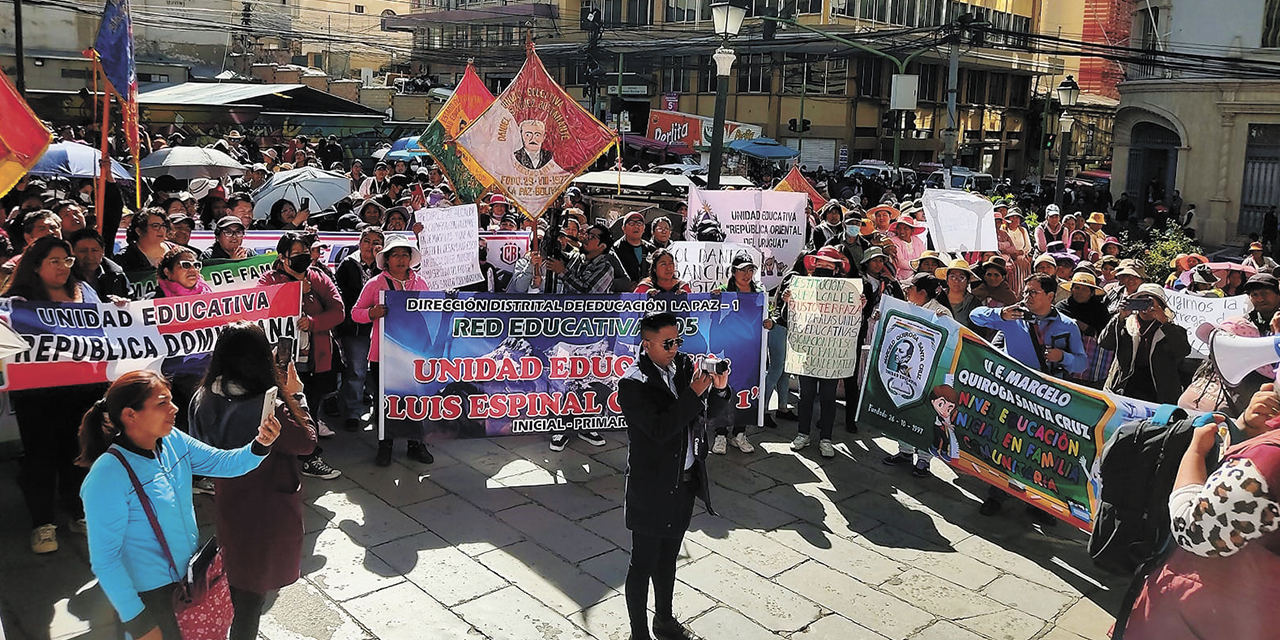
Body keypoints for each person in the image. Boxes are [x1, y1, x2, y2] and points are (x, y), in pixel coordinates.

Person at [79, 370, 280, 640]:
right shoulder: (107, 475)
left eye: (171, 400)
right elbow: (106, 561)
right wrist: (138, 622)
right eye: (162, 403)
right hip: (150, 602)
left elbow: (223, 462)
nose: (174, 408)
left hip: (190, 584)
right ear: (130, 415)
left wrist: (260, 444)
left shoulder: (173, 440)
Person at [1121, 386, 1280, 639]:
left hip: (1202, 618)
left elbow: (1191, 530)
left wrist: (1195, 452)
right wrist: (1248, 431)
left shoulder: (1270, 460)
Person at [190, 323, 316, 640]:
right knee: (250, 599)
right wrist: (296, 394)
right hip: (268, 510)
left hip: (230, 503)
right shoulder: (268, 407)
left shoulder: (203, 396)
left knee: (239, 582)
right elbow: (307, 442)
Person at [617, 311, 731, 640]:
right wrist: (693, 394)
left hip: (683, 484)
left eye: (678, 340)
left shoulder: (682, 366)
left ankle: (663, 620)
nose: (674, 348)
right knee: (643, 562)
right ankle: (639, 633)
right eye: (667, 343)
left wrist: (719, 390)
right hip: (651, 487)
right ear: (647, 343)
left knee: (668, 558)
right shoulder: (633, 383)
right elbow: (659, 429)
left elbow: (707, 416)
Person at [3, 236, 110, 554]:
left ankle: (77, 511)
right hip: (37, 396)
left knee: (79, 453)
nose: (64, 266)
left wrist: (117, 310)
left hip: (84, 390)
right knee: (40, 457)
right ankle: (43, 523)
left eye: (67, 260)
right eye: (55, 261)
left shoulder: (85, 290)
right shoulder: (17, 302)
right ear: (35, 266)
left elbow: (105, 329)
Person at [970, 273, 1087, 520]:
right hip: (1013, 393)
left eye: (1033, 292)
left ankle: (1039, 503)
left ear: (1050, 296)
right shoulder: (1012, 317)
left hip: (1047, 399)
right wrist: (999, 315)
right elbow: (975, 316)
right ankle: (997, 493)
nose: (1027, 297)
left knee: (1041, 450)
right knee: (1005, 443)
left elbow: (1081, 364)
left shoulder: (1068, 325)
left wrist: (1062, 357)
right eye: (1025, 292)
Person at [258, 233, 345, 479]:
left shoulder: (318, 277)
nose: (303, 258)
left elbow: (338, 311)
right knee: (281, 408)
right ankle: (279, 452)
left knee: (311, 406)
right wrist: (294, 291)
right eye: (297, 255)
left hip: (315, 358)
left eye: (306, 253)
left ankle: (308, 455)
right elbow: (261, 308)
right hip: (284, 360)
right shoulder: (268, 280)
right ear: (283, 258)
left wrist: (315, 322)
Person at [351, 236, 435, 466]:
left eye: (405, 255)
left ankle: (415, 444)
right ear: (386, 260)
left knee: (414, 399)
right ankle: (385, 444)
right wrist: (372, 313)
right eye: (396, 255)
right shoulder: (375, 283)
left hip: (413, 353)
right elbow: (356, 312)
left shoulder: (420, 283)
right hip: (383, 355)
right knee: (384, 401)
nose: (401, 259)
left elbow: (430, 313)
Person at [883, 273, 954, 477]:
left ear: (922, 293)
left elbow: (947, 344)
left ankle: (924, 459)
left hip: (929, 375)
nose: (906, 292)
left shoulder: (942, 314)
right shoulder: (907, 307)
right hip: (907, 375)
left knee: (925, 416)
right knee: (903, 410)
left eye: (910, 289)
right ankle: (904, 451)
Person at [789, 247, 853, 458]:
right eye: (821, 264)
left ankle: (826, 438)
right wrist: (789, 302)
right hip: (808, 351)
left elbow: (852, 321)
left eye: (828, 265)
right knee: (805, 395)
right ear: (813, 265)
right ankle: (803, 433)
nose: (824, 267)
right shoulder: (801, 287)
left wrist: (859, 306)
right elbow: (787, 317)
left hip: (832, 354)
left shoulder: (846, 291)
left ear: (836, 269)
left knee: (828, 397)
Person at [1098, 284, 1190, 404]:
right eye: (1142, 300)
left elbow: (1182, 351)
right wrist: (1119, 318)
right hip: (1125, 386)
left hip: (1159, 391)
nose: (1146, 307)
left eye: (1150, 301)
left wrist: (1165, 322)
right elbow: (1104, 343)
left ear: (1161, 306)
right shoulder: (1125, 324)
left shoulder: (1171, 329)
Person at [709, 254, 760, 453]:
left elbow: (767, 317)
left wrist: (769, 322)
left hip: (750, 352)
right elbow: (712, 317)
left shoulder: (759, 293)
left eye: (750, 270)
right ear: (733, 272)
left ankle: (740, 433)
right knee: (723, 391)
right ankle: (720, 434)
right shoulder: (722, 292)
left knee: (746, 391)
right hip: (727, 351)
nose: (747, 274)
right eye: (742, 270)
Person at [68, 228, 131, 300]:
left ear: (103, 251)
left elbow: (132, 301)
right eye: (83, 251)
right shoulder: (65, 277)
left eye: (94, 250)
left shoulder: (116, 275)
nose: (90, 257)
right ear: (72, 252)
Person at [116, 208, 176, 274]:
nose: (161, 230)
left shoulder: (177, 251)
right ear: (139, 231)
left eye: (163, 226)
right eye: (155, 226)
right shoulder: (123, 259)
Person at [613, 212, 655, 289]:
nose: (636, 226)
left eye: (639, 223)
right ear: (623, 228)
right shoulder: (616, 250)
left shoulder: (651, 249)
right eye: (631, 223)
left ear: (644, 228)